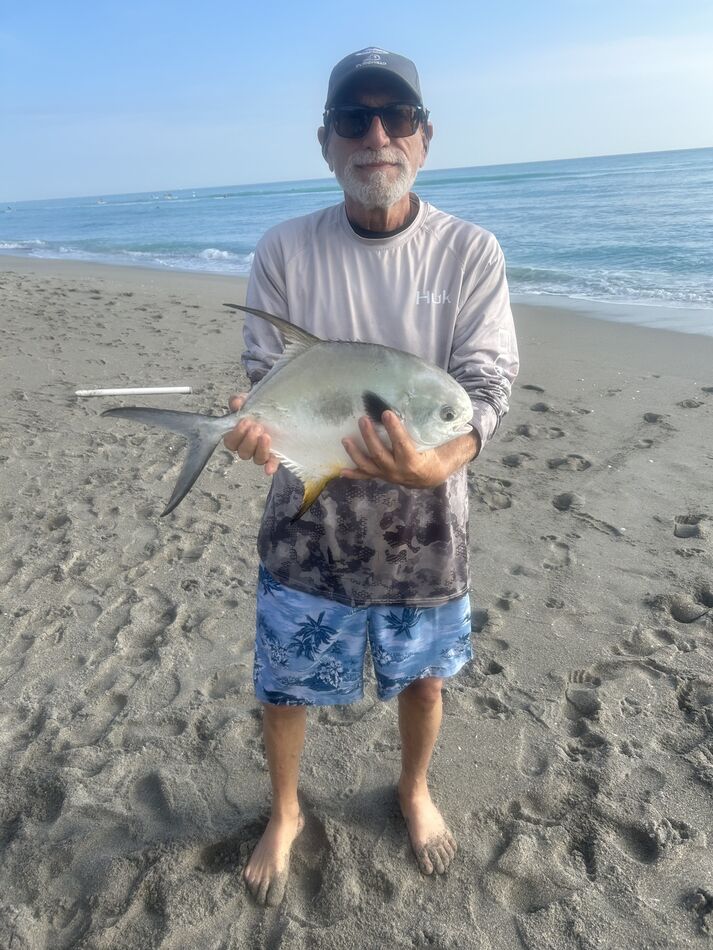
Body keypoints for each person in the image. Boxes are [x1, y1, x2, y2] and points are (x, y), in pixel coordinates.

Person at [223, 47, 519, 906]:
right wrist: (253, 435)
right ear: (326, 142)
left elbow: (486, 389)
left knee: (424, 678)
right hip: (305, 515)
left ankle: (413, 788)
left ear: (424, 138)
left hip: (427, 521)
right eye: (354, 119)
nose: (375, 136)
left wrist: (437, 463)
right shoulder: (284, 249)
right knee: (283, 678)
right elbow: (264, 372)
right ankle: (284, 810)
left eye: (396, 118)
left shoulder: (468, 252)